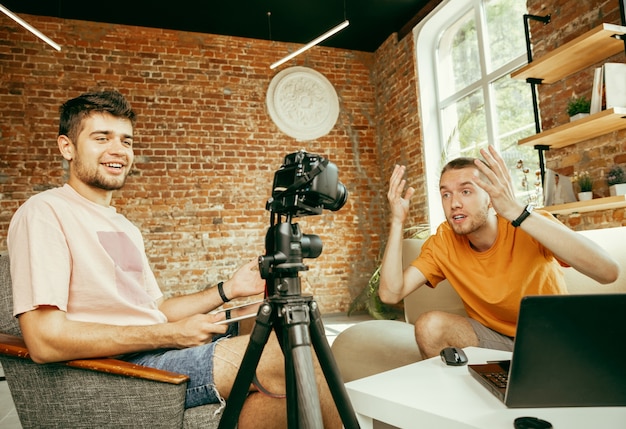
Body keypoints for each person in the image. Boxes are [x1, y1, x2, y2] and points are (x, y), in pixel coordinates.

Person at [7, 90, 340, 428]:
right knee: (292, 357)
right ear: (67, 147)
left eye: (126, 140)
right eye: (101, 138)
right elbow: (44, 341)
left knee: (272, 330)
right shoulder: (45, 212)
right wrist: (169, 335)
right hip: (124, 371)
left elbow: (156, 310)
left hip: (153, 352)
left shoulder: (123, 226)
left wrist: (229, 290)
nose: (118, 150)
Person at [379, 146, 619, 359]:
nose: (454, 204)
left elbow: (608, 271)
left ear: (491, 198)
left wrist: (517, 211)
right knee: (429, 326)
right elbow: (391, 294)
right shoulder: (444, 242)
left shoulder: (529, 224)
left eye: (466, 191)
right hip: (496, 343)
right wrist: (397, 221)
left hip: (553, 340)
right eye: (446, 194)